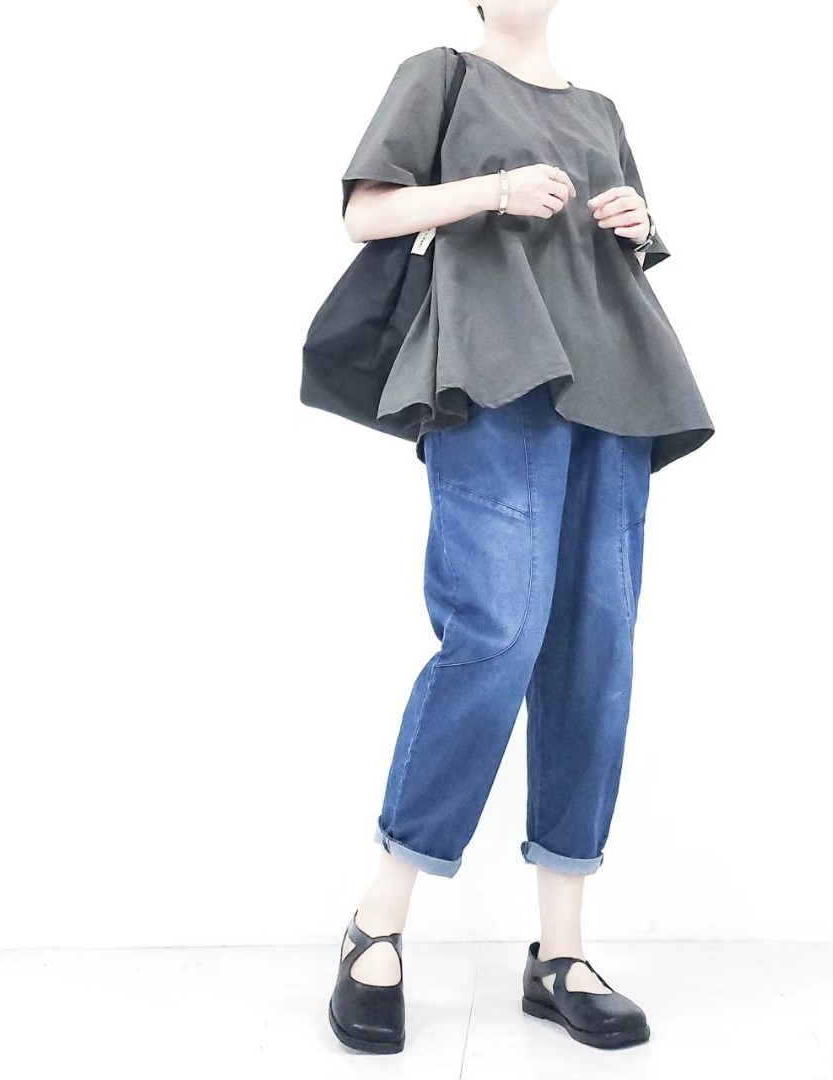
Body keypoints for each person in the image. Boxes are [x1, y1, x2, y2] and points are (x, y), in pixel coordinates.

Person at [326, 0, 715, 1054]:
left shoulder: (599, 108)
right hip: (492, 379)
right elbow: (367, 213)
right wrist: (493, 191)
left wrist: (633, 221)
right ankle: (377, 922)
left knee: (594, 651)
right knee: (494, 635)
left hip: (615, 383)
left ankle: (561, 953)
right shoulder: (440, 72)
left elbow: (624, 256)